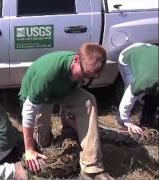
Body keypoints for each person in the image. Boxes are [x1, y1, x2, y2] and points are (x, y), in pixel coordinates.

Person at [19, 42, 114, 179]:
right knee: (42, 142)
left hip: (59, 91)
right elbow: (29, 111)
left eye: (90, 77)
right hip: (40, 98)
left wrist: (66, 118)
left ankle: (91, 168)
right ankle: (46, 135)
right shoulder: (47, 73)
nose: (85, 80)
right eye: (84, 74)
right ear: (76, 59)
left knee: (88, 100)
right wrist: (28, 149)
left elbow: (69, 88)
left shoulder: (81, 69)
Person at [117, 43, 159, 133]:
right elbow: (130, 94)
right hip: (129, 54)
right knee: (134, 90)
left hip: (150, 52)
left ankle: (147, 120)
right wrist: (126, 120)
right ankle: (123, 121)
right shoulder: (148, 80)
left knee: (154, 95)